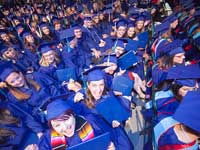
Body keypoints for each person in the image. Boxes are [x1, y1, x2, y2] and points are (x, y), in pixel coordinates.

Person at [38, 99, 115, 150]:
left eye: (66, 119)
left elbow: (106, 139)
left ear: (73, 115)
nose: (65, 127)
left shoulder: (90, 121)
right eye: (57, 125)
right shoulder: (47, 139)